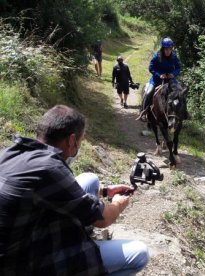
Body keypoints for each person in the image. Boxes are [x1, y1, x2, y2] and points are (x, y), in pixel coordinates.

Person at [0, 105, 149, 275]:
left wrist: (105, 191)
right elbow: (103, 220)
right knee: (139, 254)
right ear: (71, 140)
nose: (79, 146)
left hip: (24, 233)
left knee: (90, 180)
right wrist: (118, 203)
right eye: (80, 140)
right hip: (23, 261)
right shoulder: (50, 168)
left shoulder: (11, 152)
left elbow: (51, 190)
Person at [138, 37, 181, 121]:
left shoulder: (174, 56)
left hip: (170, 79)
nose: (168, 51)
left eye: (170, 49)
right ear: (163, 48)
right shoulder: (157, 56)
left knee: (180, 91)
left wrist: (173, 74)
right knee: (148, 92)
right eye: (166, 49)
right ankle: (143, 112)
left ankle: (181, 113)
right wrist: (159, 75)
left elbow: (178, 67)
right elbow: (151, 68)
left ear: (172, 48)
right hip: (157, 79)